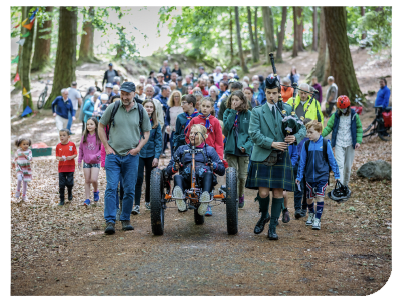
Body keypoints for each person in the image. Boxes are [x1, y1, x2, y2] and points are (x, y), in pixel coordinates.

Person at [245, 75, 306, 240]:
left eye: (274, 93)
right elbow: (254, 134)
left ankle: (272, 227)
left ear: (279, 93)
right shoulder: (257, 111)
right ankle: (264, 215)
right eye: (268, 92)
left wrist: (295, 138)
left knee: (278, 192)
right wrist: (272, 143)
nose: (271, 96)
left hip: (280, 156)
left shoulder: (287, 109)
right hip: (263, 154)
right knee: (263, 193)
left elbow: (303, 129)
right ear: (264, 92)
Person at [98, 82, 151, 234]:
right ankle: (110, 221)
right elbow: (101, 126)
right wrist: (107, 147)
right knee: (112, 187)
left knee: (129, 189)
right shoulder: (113, 107)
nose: (124, 97)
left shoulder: (141, 110)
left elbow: (146, 133)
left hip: (131, 156)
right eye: (122, 93)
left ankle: (125, 218)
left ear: (134, 94)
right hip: (113, 155)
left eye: (128, 94)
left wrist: (138, 148)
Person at [168, 124, 225, 215]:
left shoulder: (209, 150)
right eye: (191, 133)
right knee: (177, 177)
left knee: (209, 174)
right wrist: (174, 167)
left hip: (204, 180)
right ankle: (181, 200)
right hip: (186, 179)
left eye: (196, 133)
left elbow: (222, 170)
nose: (192, 135)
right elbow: (168, 170)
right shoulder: (182, 149)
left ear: (203, 137)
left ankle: (205, 199)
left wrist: (214, 165)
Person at [296, 120, 340, 230]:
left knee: (320, 196)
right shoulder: (306, 145)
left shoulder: (326, 144)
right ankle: (311, 213)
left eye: (311, 132)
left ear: (319, 131)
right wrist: (299, 176)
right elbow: (302, 162)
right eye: (307, 132)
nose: (308, 135)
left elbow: (332, 160)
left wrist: (337, 175)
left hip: (322, 176)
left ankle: (317, 219)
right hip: (309, 177)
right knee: (309, 198)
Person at [185, 97, 224, 215]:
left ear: (212, 108)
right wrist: (189, 148)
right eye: (203, 106)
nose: (205, 108)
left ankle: (207, 203)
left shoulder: (215, 121)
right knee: (193, 173)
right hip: (195, 152)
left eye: (208, 106)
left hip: (209, 153)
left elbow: (219, 141)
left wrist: (219, 157)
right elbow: (187, 136)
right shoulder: (194, 120)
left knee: (208, 175)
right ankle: (192, 197)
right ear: (200, 106)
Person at [321, 96, 363, 199]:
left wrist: (358, 141)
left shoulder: (354, 115)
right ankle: (339, 186)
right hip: (339, 143)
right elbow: (329, 127)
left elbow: (359, 128)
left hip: (350, 144)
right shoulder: (335, 116)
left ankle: (345, 185)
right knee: (340, 165)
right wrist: (320, 136)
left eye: (344, 108)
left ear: (348, 107)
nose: (343, 110)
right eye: (341, 108)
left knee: (348, 166)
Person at [223, 91, 253, 209]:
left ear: (242, 101)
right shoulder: (227, 112)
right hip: (231, 149)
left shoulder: (248, 114)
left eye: (236, 99)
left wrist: (246, 146)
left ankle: (240, 195)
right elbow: (228, 127)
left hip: (243, 150)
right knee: (232, 176)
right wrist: (233, 111)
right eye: (232, 99)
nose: (234, 102)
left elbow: (252, 134)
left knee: (241, 177)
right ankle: (233, 197)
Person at [133, 99, 163, 214]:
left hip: (151, 154)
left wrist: (156, 157)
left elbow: (158, 142)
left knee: (151, 179)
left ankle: (148, 201)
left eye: (151, 107)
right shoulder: (137, 121)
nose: (149, 109)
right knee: (138, 178)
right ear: (143, 108)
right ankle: (136, 205)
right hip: (139, 153)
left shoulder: (156, 124)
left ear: (154, 109)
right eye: (147, 106)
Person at [78, 117, 101, 206]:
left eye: (91, 124)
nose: (89, 126)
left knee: (93, 179)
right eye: (87, 124)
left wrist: (95, 156)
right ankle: (87, 199)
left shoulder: (99, 136)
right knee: (87, 180)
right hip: (86, 162)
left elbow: (101, 149)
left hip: (95, 161)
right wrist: (79, 160)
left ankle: (96, 191)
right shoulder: (84, 137)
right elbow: (80, 149)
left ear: (96, 125)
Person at [293, 118, 311, 219]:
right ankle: (297, 209)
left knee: (306, 189)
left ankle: (304, 208)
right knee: (298, 187)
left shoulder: (311, 140)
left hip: (308, 167)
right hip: (298, 165)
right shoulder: (298, 138)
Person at [56, 129, 78, 206]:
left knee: (69, 182)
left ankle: (69, 191)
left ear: (68, 136)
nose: (62, 137)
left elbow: (75, 154)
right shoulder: (58, 146)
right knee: (61, 185)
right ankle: (62, 199)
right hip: (61, 168)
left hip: (70, 167)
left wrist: (71, 157)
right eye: (60, 135)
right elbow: (57, 156)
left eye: (64, 135)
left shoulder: (72, 144)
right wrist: (59, 158)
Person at [12, 137, 32, 201]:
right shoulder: (18, 151)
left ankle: (24, 195)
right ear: (20, 145)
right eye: (24, 144)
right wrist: (12, 163)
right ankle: (18, 190)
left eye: (27, 144)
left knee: (25, 182)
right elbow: (15, 158)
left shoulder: (29, 151)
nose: (26, 145)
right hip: (19, 167)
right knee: (19, 178)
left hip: (26, 168)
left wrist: (25, 156)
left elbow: (30, 159)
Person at [166, 90, 184, 157]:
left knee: (181, 147)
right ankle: (173, 162)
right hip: (172, 131)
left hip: (181, 131)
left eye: (178, 96)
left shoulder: (182, 107)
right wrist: (167, 125)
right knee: (172, 146)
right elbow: (167, 119)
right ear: (172, 97)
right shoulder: (169, 108)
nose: (176, 98)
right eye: (175, 96)